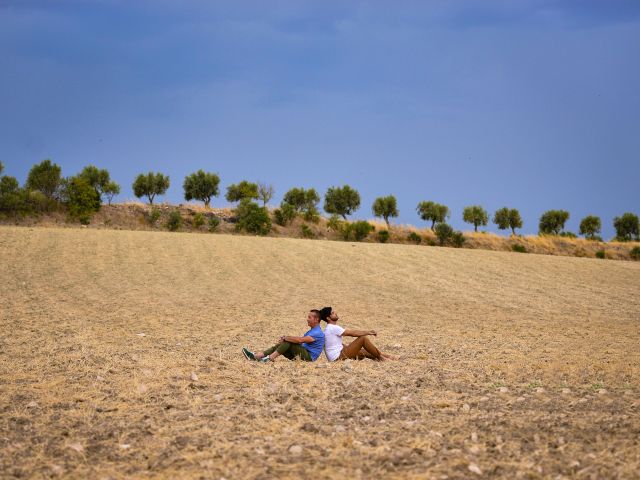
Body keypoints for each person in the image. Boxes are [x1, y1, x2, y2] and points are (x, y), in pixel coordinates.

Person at [242, 310, 325, 363]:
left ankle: (268, 358)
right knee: (284, 344)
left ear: (316, 319)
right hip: (302, 354)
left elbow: (300, 340)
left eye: (309, 317)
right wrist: (286, 338)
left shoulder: (318, 333)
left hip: (308, 358)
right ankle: (257, 356)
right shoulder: (312, 331)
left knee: (288, 342)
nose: (307, 319)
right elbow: (299, 341)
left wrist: (286, 338)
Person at [320, 306, 397, 361]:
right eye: (333, 313)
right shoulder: (332, 327)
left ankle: (389, 356)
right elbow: (352, 333)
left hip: (339, 355)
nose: (335, 313)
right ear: (328, 318)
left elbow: (335, 345)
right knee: (363, 339)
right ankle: (382, 358)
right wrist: (369, 332)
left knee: (365, 351)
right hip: (338, 358)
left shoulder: (330, 328)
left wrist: (350, 347)